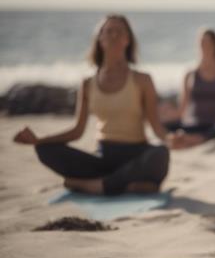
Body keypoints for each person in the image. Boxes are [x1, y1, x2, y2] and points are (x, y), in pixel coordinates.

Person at [12, 14, 172, 194]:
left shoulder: (143, 80)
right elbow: (77, 131)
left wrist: (172, 139)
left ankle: (98, 185)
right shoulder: (88, 83)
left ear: (127, 39)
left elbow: (156, 126)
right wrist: (39, 140)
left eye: (119, 31)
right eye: (108, 31)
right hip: (103, 158)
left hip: (136, 154)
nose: (113, 35)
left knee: (161, 154)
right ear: (100, 39)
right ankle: (126, 184)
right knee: (44, 150)